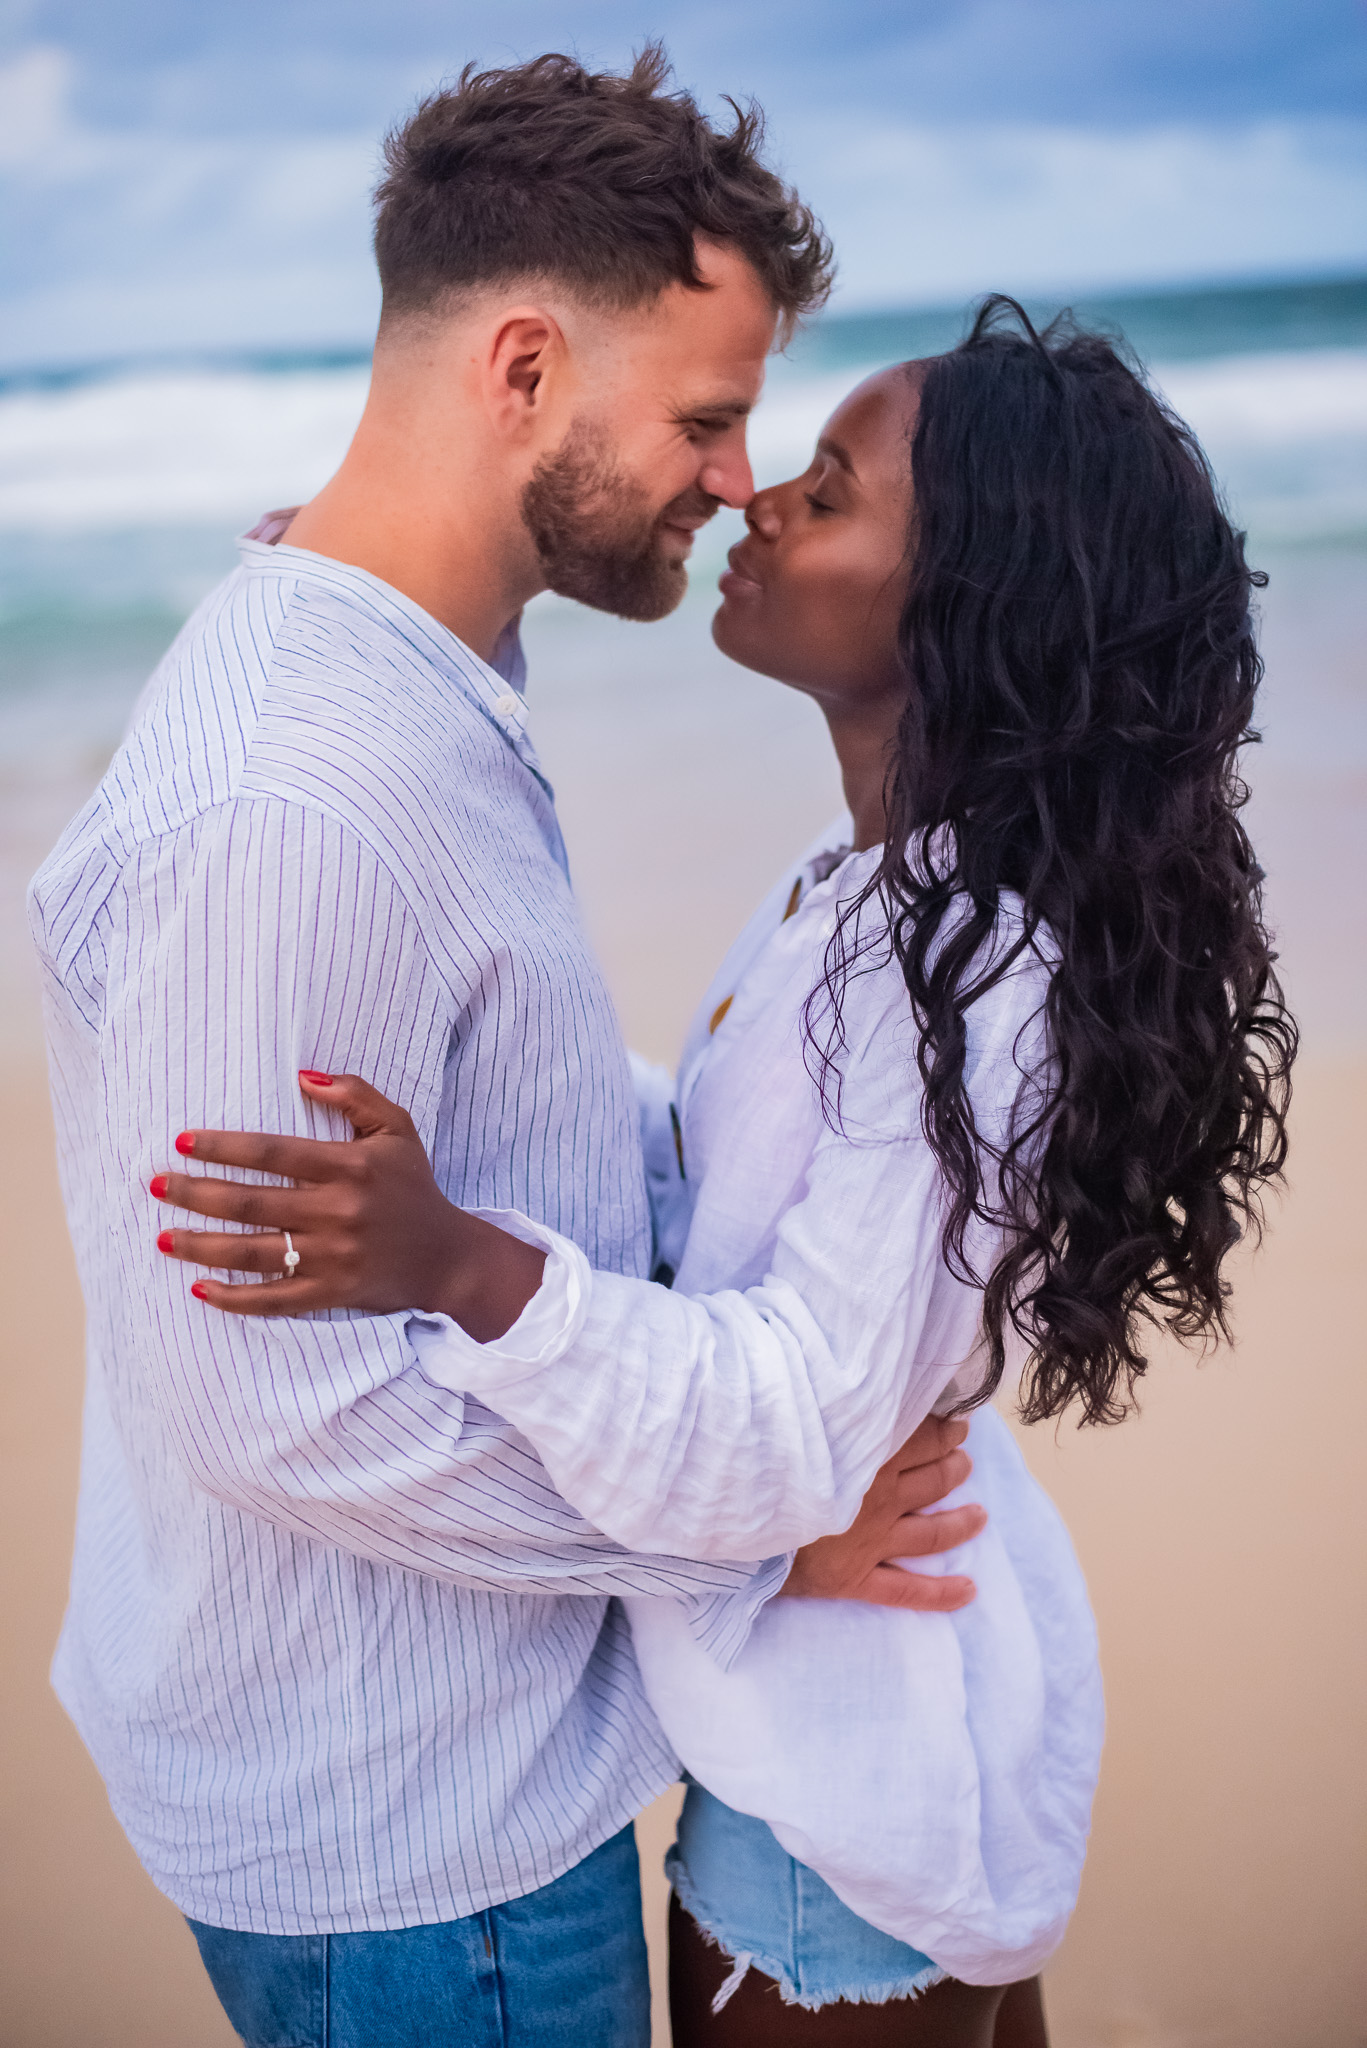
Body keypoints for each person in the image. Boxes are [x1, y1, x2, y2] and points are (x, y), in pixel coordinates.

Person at [158, 302, 1296, 2045]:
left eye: (829, 492)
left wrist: (473, 1266)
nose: (758, 499)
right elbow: (728, 1187)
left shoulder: (966, 979)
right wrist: (477, 1069)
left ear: (959, 610)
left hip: (835, 1806)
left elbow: (796, 1403)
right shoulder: (873, 903)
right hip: (887, 1713)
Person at [27, 49, 989, 2048]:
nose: (739, 478)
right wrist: (752, 1527)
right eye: (709, 418)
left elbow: (500, 1123)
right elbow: (275, 1409)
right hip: (417, 1832)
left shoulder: (433, 652)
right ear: (528, 370)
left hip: (456, 1755)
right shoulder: (305, 792)